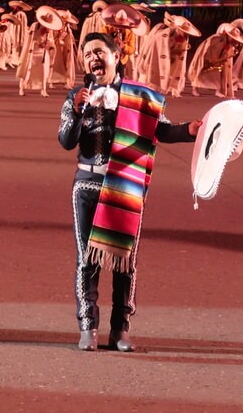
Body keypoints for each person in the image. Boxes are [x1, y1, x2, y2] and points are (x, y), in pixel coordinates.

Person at [58, 32, 201, 353]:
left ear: (116, 55)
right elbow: (66, 140)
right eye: (87, 54)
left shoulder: (140, 96)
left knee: (125, 262)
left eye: (99, 52)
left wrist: (190, 131)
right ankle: (88, 327)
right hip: (86, 186)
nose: (93, 58)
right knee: (87, 261)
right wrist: (79, 111)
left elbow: (161, 130)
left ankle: (120, 330)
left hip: (124, 188)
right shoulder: (75, 96)